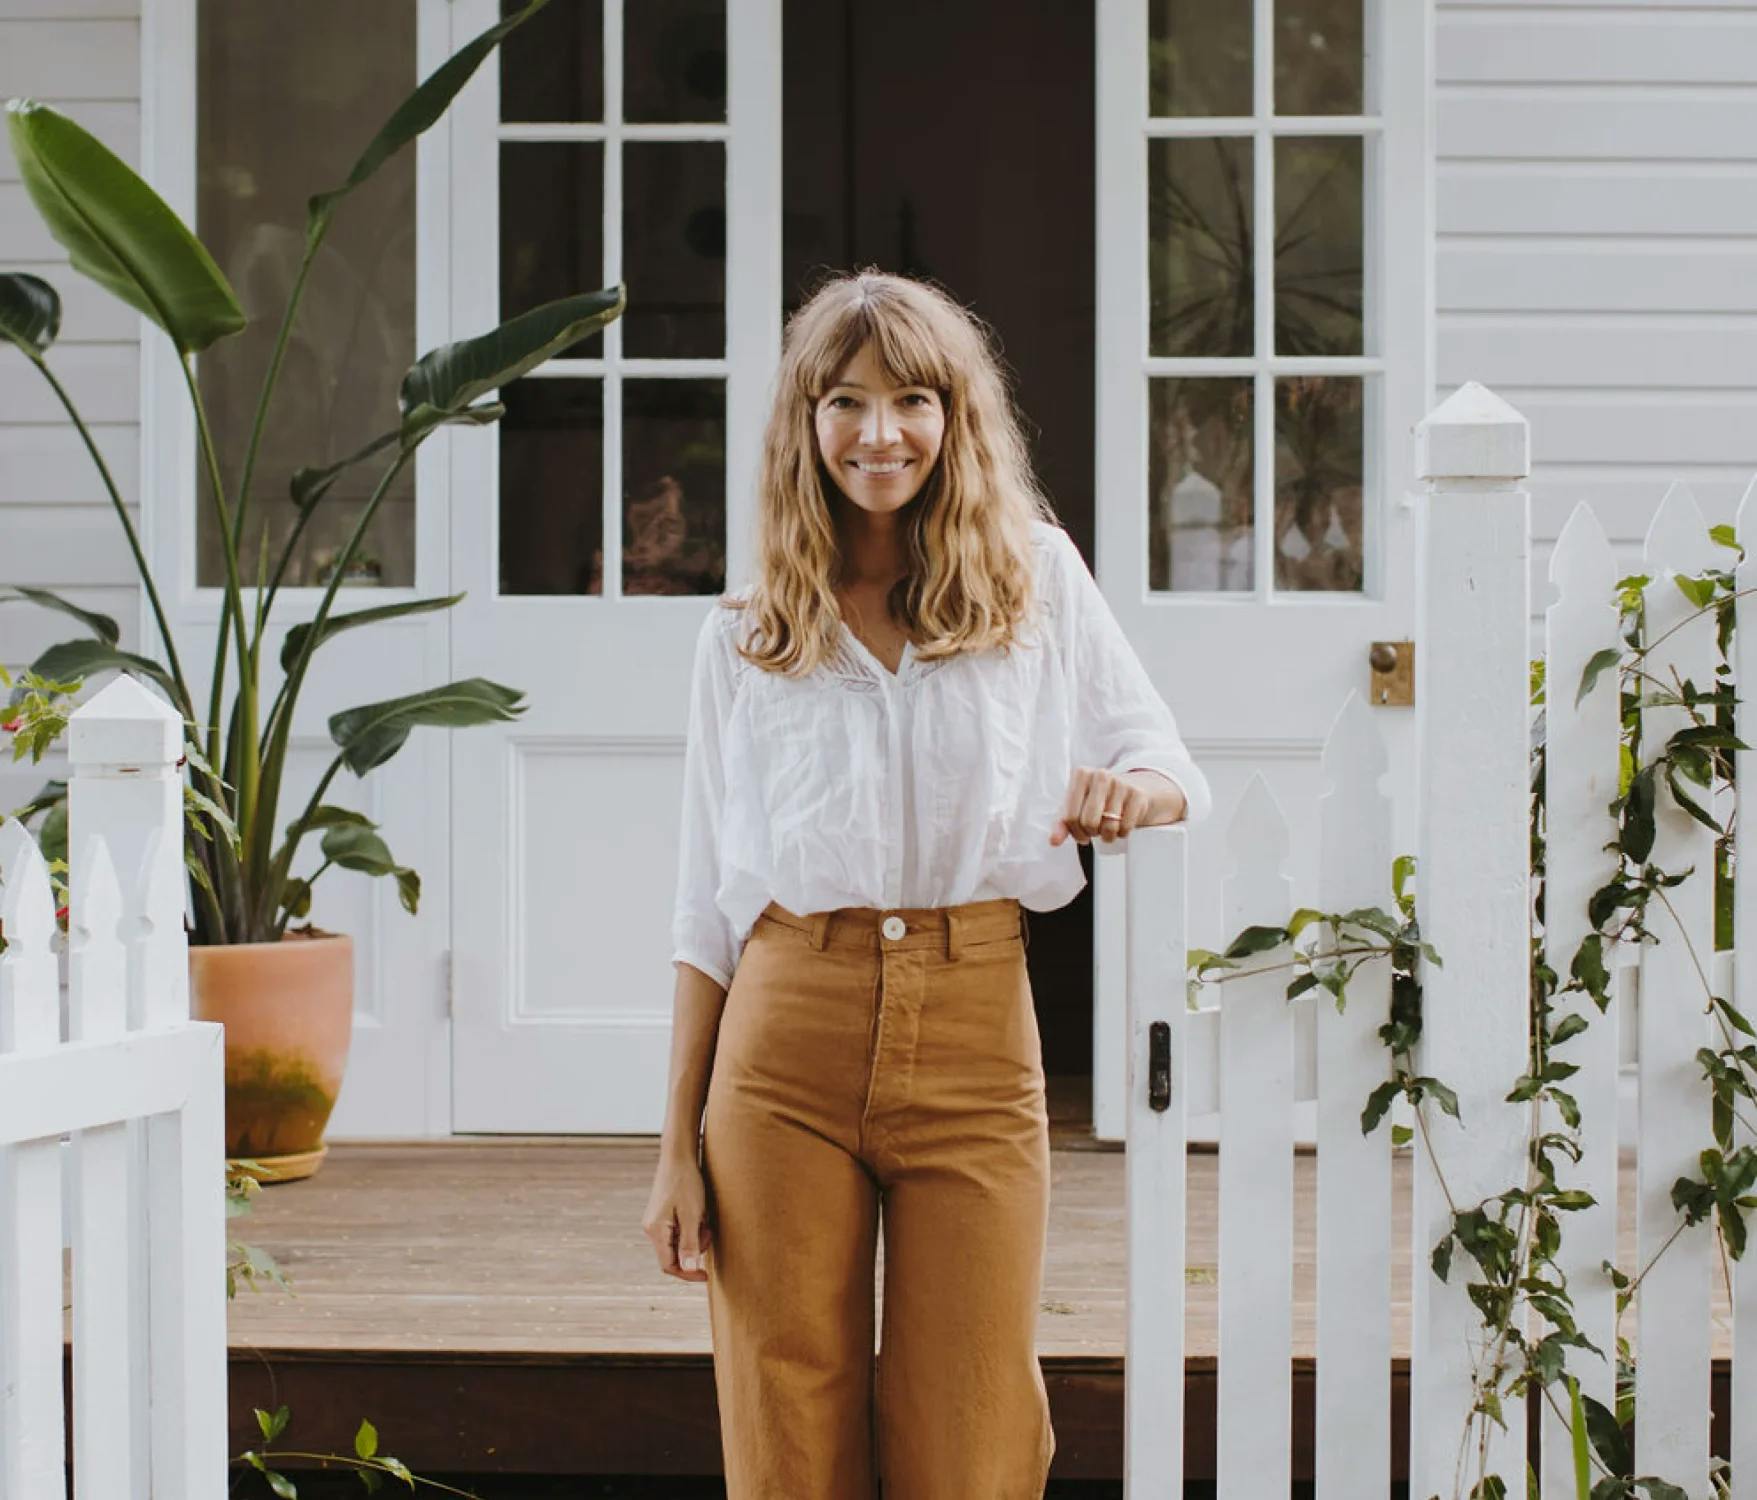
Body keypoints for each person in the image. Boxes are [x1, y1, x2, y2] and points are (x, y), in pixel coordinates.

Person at [642, 268, 1211, 1498]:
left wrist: (1130, 794)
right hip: (784, 1034)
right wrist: (674, 1148)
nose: (878, 433)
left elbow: (1166, 764)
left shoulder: (1034, 581)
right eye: (843, 402)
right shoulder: (743, 637)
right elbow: (705, 907)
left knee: (974, 1424)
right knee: (786, 1424)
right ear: (804, 422)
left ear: (956, 418)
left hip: (971, 1023)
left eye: (911, 399)